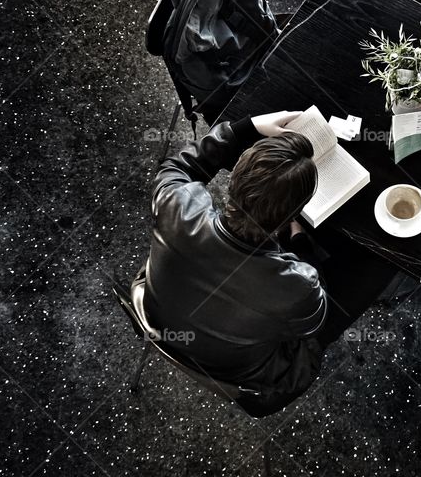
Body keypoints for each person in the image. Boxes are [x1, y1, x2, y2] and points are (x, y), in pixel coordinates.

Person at [132, 111, 397, 414]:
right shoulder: (298, 285)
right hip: (251, 380)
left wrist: (245, 128)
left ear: (233, 178)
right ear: (292, 217)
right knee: (373, 267)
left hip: (156, 315)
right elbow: (314, 320)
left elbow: (179, 166)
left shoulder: (175, 204)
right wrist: (299, 242)